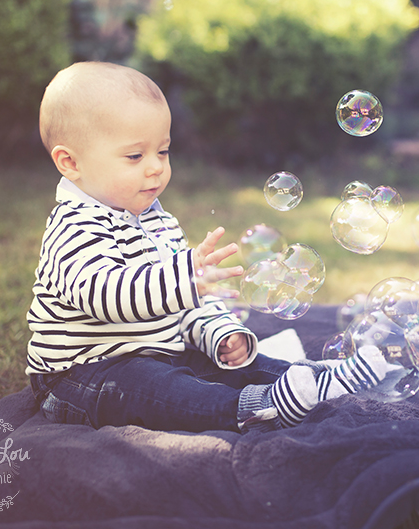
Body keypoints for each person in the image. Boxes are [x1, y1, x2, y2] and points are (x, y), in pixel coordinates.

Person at [26, 61, 388, 434]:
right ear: (70, 163)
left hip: (160, 355)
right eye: (135, 156)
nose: (155, 168)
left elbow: (184, 302)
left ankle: (316, 381)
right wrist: (184, 280)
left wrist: (220, 334)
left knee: (226, 364)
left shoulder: (157, 220)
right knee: (158, 389)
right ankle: (258, 409)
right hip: (83, 377)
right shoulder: (74, 224)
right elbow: (105, 296)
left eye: (163, 152)